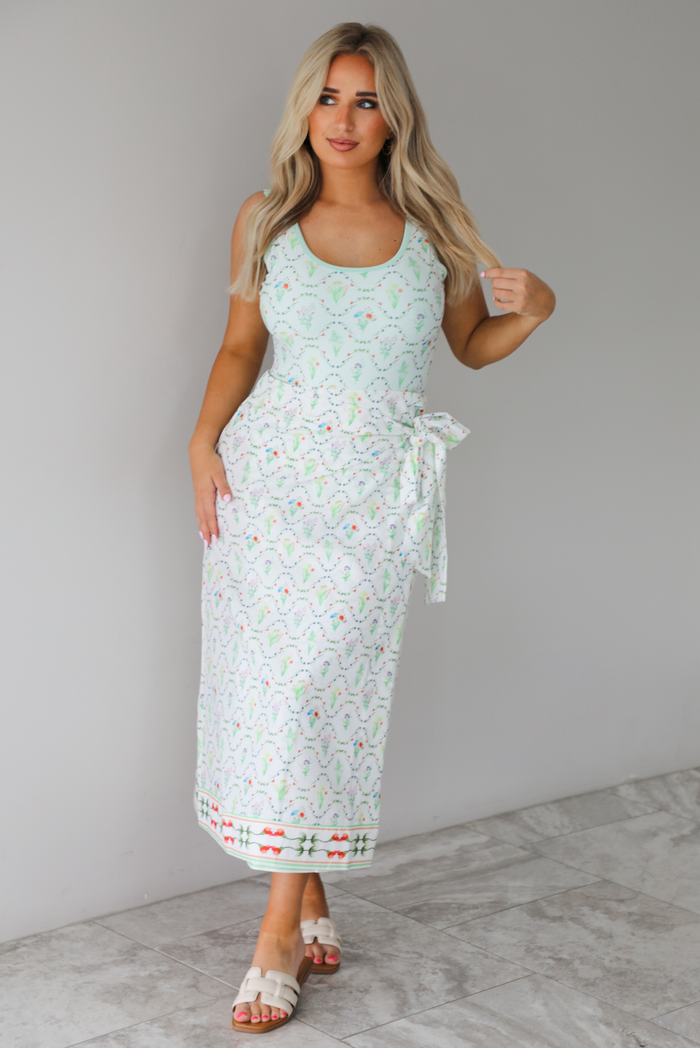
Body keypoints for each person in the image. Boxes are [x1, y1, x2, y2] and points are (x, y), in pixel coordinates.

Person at [188, 21, 555, 1033]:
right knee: (278, 697)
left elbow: (469, 347)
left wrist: (533, 314)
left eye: (363, 100)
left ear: (394, 115)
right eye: (327, 97)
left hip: (374, 496)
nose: (343, 119)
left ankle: (296, 895)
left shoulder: (434, 233)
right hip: (267, 486)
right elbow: (236, 347)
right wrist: (200, 444)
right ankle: (284, 918)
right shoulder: (263, 218)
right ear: (304, 109)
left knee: (322, 694)